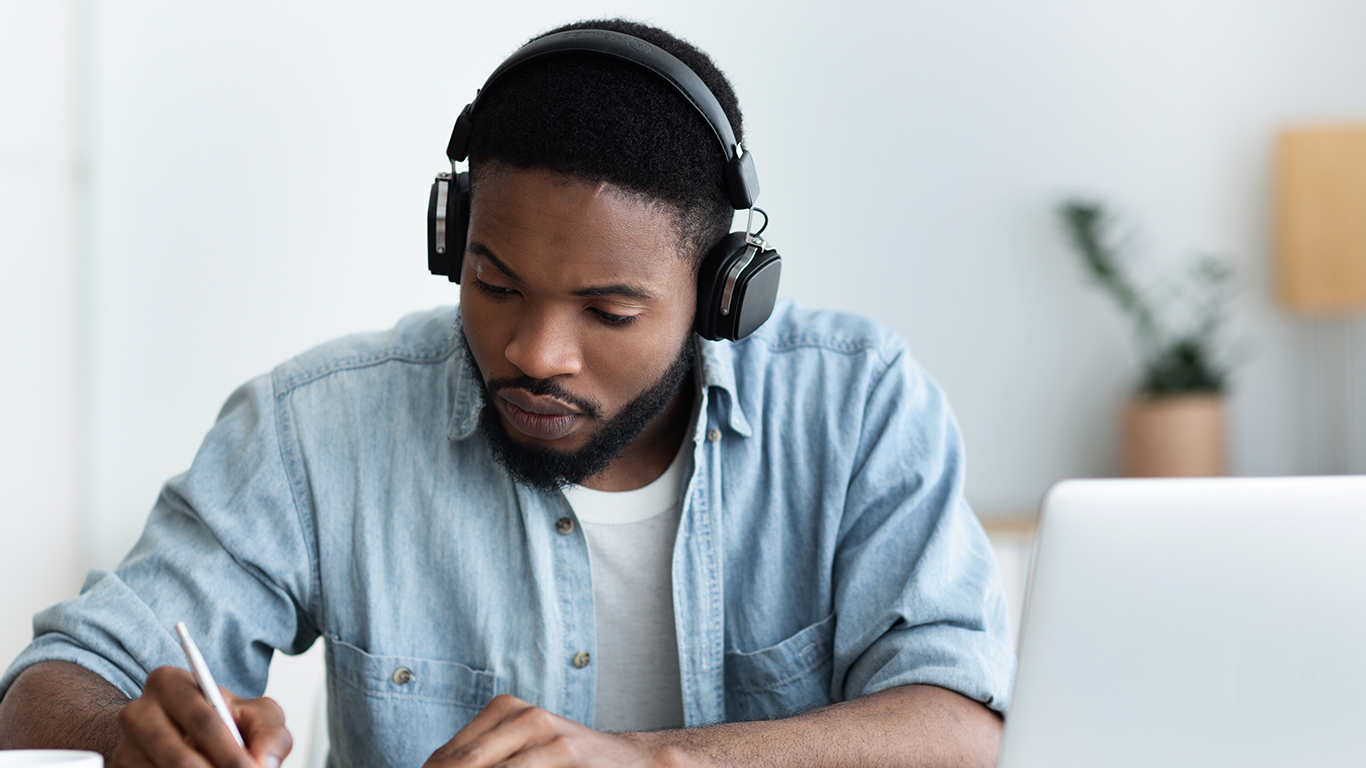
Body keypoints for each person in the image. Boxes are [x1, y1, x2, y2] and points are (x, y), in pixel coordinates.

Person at [0, 18, 1013, 768]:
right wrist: (129, 738)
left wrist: (652, 762)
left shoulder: (857, 408)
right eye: (494, 284)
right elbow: (48, 689)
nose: (534, 351)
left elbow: (961, 724)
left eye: (608, 312)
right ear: (452, 243)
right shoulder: (315, 429)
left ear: (719, 295)